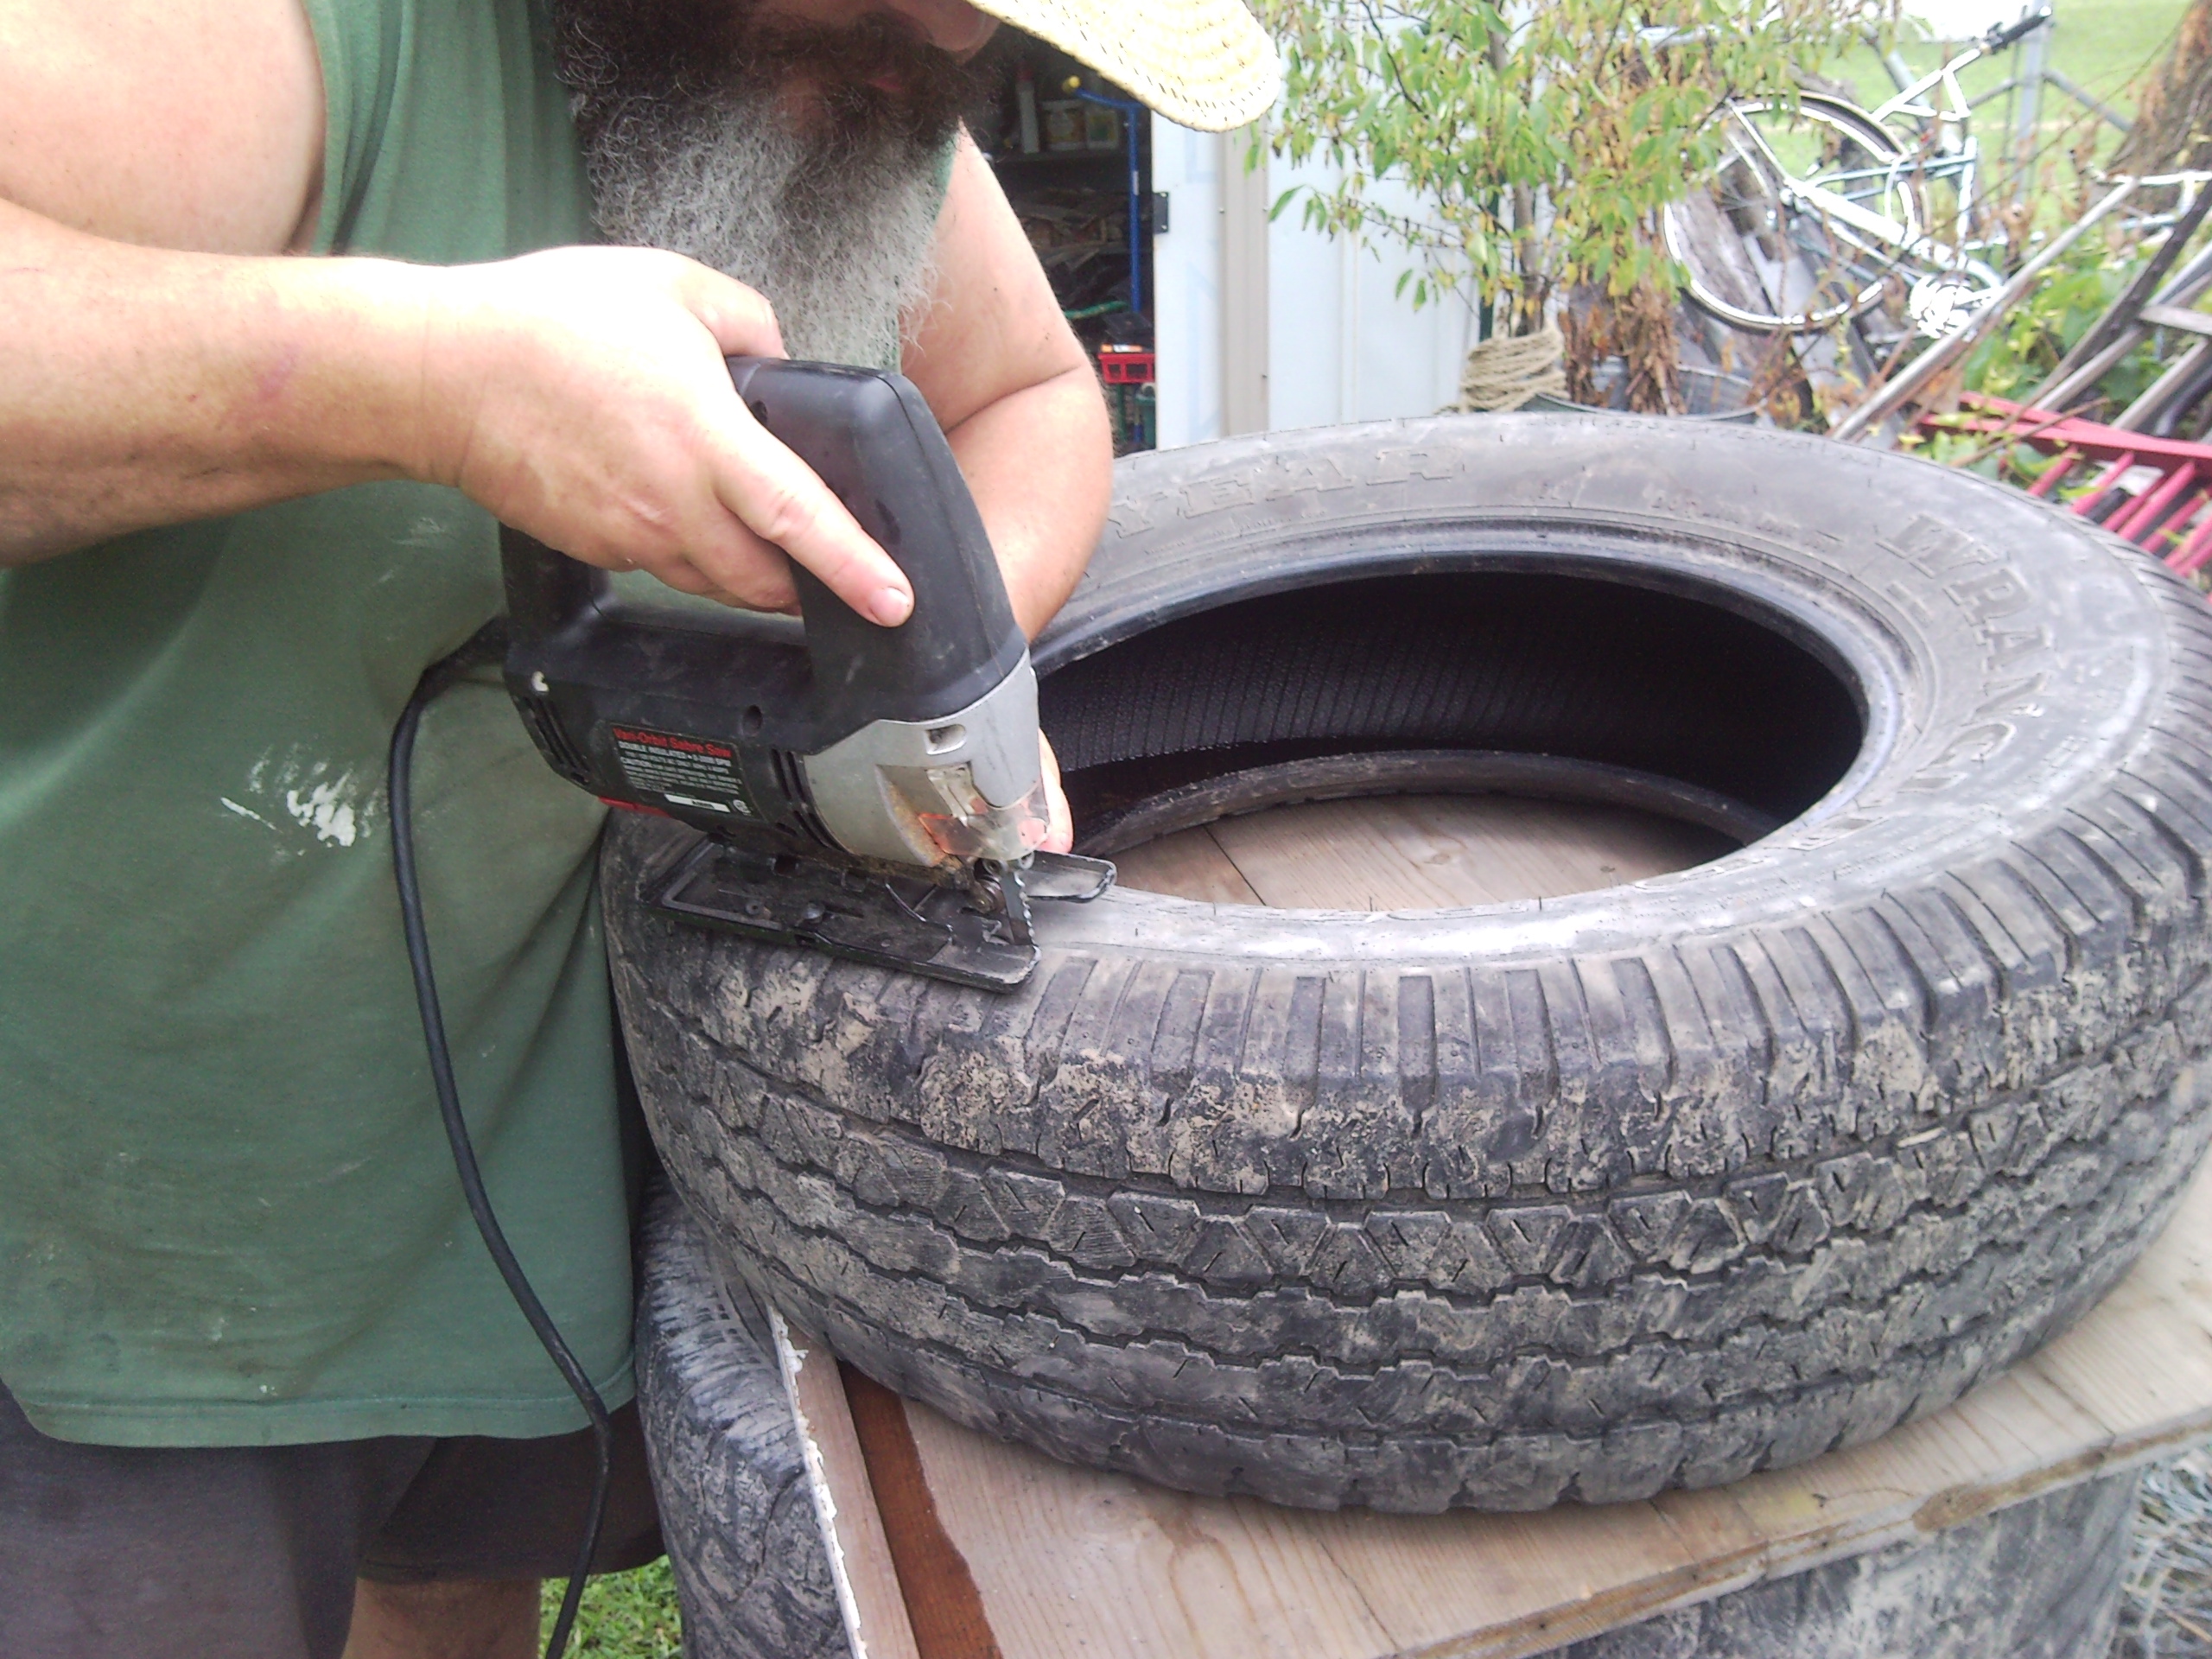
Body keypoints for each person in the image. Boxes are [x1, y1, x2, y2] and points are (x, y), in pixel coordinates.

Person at [0, 0, 1276, 1652]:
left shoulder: (855, 72)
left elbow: (1031, 393)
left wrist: (925, 681)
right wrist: (430, 377)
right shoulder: (282, 34)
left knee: (451, 1582)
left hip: (495, 1135)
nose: (939, 57)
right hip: (132, 1195)